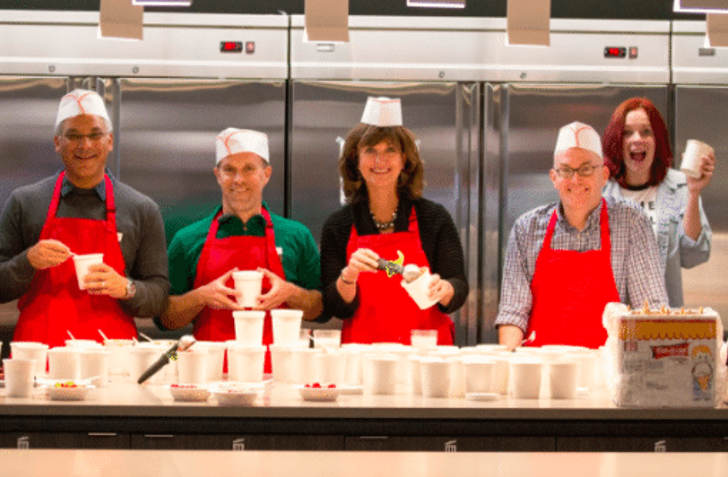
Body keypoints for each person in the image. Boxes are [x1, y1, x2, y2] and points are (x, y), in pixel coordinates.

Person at [0, 89, 169, 346]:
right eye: (74, 136)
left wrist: (125, 287)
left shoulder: (142, 209)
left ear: (110, 141)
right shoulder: (25, 202)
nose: (85, 145)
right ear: (57, 142)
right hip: (40, 353)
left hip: (112, 355)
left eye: (95, 135)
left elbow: (159, 298)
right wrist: (28, 261)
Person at [496, 121, 668, 349]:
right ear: (554, 177)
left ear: (604, 175)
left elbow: (651, 312)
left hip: (608, 368)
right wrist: (509, 361)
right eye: (566, 170)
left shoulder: (631, 222)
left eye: (586, 169)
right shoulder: (526, 229)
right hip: (542, 368)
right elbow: (512, 315)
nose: (575, 180)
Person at [320, 97, 468, 345]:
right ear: (356, 160)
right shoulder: (338, 225)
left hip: (425, 352)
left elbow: (458, 285)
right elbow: (335, 307)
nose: (380, 160)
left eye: (390, 150)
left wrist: (444, 289)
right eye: (371, 151)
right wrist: (349, 275)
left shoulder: (433, 218)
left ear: (404, 160)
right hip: (363, 355)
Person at [160, 128, 322, 346]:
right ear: (218, 175)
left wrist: (290, 293)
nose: (239, 179)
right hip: (209, 363)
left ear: (266, 174)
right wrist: (201, 297)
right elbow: (164, 319)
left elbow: (322, 311)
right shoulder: (187, 239)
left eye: (249, 169)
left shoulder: (297, 235)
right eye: (229, 170)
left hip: (279, 364)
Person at [601, 98, 715, 307]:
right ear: (617, 140)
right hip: (611, 316)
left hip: (662, 318)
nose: (637, 139)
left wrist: (693, 192)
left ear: (657, 140)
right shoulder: (600, 189)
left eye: (646, 132)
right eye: (627, 132)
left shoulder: (681, 185)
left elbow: (693, 256)